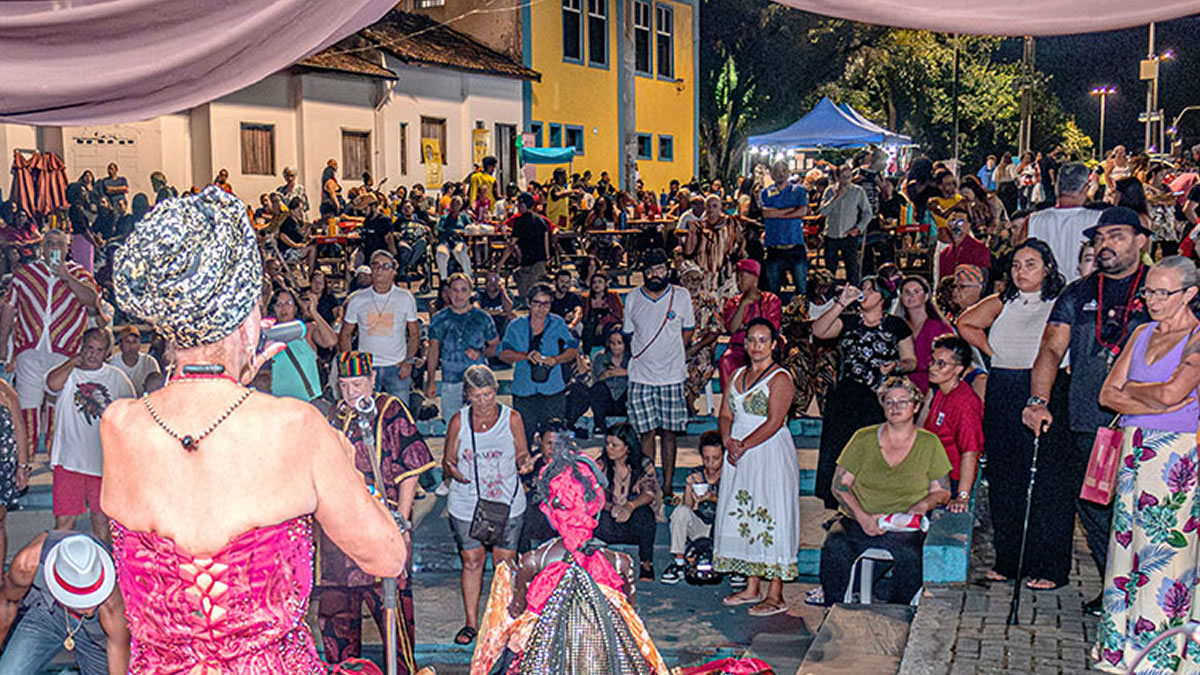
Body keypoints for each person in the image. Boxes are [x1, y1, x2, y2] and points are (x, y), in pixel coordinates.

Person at [105, 186, 408, 671]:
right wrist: (343, 459)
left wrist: (232, 374)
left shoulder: (119, 425)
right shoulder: (296, 426)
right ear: (249, 324)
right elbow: (387, 556)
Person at [1022, 207, 1150, 606]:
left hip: (1147, 423)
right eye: (1099, 238)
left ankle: (1151, 594)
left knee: (1145, 511)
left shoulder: (1159, 289)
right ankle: (1116, 589)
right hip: (1088, 423)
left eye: (1116, 235)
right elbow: (1050, 348)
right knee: (1096, 511)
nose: (1105, 244)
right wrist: (1038, 400)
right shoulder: (1078, 292)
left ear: (1141, 241)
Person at [471, 437, 670, 674]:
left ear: (548, 508)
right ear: (596, 504)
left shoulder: (534, 560)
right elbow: (632, 619)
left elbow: (515, 612)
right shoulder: (619, 563)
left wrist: (505, 593)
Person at [1091, 256, 1200, 672]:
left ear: (1189, 293)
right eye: (1149, 291)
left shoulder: (1195, 337)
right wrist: (1147, 394)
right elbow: (1107, 394)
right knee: (1126, 547)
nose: (1152, 300)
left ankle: (1159, 654)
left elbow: (1175, 394)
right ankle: (1122, 649)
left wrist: (1136, 392)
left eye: (1163, 292)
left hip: (1176, 452)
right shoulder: (1142, 332)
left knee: (1163, 553)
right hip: (1134, 448)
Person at [957, 238, 1070, 587]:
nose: (1022, 271)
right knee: (1006, 478)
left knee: (1046, 481)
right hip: (1004, 388)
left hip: (1043, 389)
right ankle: (1009, 560)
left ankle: (1049, 567)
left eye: (1030, 264)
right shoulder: (1004, 301)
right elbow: (965, 323)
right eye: (1017, 265)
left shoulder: (1059, 304)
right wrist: (995, 354)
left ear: (1047, 267)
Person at [316, 352, 434, 669]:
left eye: (357, 383)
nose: (351, 392)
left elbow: (411, 466)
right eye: (344, 385)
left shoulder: (389, 410)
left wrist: (403, 523)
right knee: (337, 621)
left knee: (394, 619)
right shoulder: (334, 416)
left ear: (372, 380)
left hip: (381, 530)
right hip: (339, 539)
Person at [820, 377, 951, 605]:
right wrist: (863, 517)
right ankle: (833, 608)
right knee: (835, 545)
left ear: (916, 406)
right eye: (889, 402)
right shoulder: (863, 438)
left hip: (902, 522)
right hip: (860, 518)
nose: (895, 407)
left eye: (902, 402)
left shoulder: (929, 443)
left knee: (910, 555)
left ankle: (900, 611)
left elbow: (942, 491)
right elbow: (840, 485)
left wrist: (919, 507)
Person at [713, 319, 799, 616]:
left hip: (767, 452)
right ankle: (752, 586)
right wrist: (728, 440)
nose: (756, 346)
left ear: (774, 344)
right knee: (745, 513)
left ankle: (776, 593)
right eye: (751, 340)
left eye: (763, 340)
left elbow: (774, 422)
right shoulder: (737, 374)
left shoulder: (781, 378)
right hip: (739, 451)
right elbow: (725, 413)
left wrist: (743, 444)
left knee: (771, 512)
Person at [441, 365, 532, 646]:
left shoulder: (511, 418)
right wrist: (454, 472)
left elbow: (522, 452)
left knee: (504, 563)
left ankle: (505, 619)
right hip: (467, 501)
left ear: (496, 392)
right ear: (468, 395)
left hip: (506, 500)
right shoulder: (459, 421)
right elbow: (448, 460)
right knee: (472, 561)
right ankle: (471, 622)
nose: (483, 402)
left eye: (489, 395)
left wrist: (525, 463)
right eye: (478, 396)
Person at [813, 276, 916, 509]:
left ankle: (873, 500)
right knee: (842, 448)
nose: (865, 293)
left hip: (879, 396)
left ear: (883, 297)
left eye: (872, 290)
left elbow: (911, 360)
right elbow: (819, 331)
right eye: (864, 288)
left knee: (875, 449)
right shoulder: (849, 322)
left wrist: (895, 367)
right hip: (849, 394)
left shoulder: (896, 325)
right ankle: (841, 501)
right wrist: (841, 303)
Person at [0, 229, 99, 454]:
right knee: (28, 403)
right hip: (29, 349)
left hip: (65, 352)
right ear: (42, 248)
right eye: (49, 243)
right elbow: (8, 308)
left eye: (59, 244)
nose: (54, 247)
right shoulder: (26, 274)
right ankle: (27, 457)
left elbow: (92, 302)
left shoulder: (80, 274)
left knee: (60, 403)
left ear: (67, 248)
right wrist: (2, 344)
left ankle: (58, 455)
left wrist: (67, 278)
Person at [46, 328, 135, 543]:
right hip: (69, 461)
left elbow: (132, 413)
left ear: (106, 353)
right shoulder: (69, 374)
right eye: (89, 348)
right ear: (81, 348)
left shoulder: (116, 377)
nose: (93, 354)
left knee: (102, 522)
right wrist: (72, 362)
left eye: (99, 350)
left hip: (103, 463)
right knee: (64, 523)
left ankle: (106, 571)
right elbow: (51, 384)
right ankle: (60, 572)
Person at [0, 532, 129, 674]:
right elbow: (7, 605)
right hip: (48, 612)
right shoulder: (27, 565)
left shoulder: (112, 599)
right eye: (81, 604)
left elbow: (118, 648)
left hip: (98, 632)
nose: (89, 611)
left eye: (93, 600)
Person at [624, 249, 694, 502]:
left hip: (672, 375)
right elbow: (629, 334)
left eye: (660, 270)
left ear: (668, 270)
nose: (656, 275)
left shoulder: (681, 296)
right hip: (641, 375)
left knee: (669, 433)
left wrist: (671, 353)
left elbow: (688, 331)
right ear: (644, 272)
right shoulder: (632, 298)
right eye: (651, 271)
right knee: (646, 433)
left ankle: (666, 486)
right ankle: (648, 485)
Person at [499, 284, 579, 447]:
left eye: (546, 304)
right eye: (537, 303)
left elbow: (573, 349)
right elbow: (503, 353)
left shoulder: (558, 324)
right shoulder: (516, 326)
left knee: (555, 440)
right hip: (524, 390)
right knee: (523, 438)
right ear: (529, 303)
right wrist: (525, 356)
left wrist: (556, 359)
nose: (541, 308)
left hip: (553, 390)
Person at [340, 249, 420, 403]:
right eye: (375, 265)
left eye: (385, 266)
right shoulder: (358, 299)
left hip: (396, 367)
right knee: (365, 414)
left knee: (400, 415)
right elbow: (345, 334)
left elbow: (414, 334)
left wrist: (408, 361)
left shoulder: (405, 298)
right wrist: (352, 367)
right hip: (367, 368)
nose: (379, 270)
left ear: (394, 271)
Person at [918, 334, 983, 511]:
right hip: (933, 473)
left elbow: (970, 452)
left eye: (942, 364)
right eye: (933, 361)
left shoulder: (964, 403)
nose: (933, 368)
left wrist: (962, 496)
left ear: (958, 369)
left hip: (952, 481)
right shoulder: (940, 391)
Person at [426, 273, 500, 423]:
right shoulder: (439, 319)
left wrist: (481, 353)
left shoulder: (482, 318)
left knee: (481, 423)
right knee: (453, 424)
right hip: (451, 380)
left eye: (463, 290)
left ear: (470, 292)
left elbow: (496, 346)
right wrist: (431, 380)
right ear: (448, 292)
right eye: (455, 290)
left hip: (478, 382)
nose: (459, 295)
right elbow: (433, 351)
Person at [596, 422, 660, 580]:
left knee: (645, 515)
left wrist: (630, 506)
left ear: (627, 447)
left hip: (632, 521)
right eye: (608, 444)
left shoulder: (643, 464)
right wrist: (611, 507)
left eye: (614, 445)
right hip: (609, 520)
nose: (609, 448)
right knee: (594, 516)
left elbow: (650, 493)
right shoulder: (601, 464)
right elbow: (593, 494)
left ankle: (646, 563)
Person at [1019, 162, 1100, 284]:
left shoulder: (1032, 220)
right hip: (1083, 292)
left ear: (1057, 187)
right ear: (1085, 189)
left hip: (1044, 294)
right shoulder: (1099, 219)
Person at [660, 430, 723, 585]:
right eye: (706, 458)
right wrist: (689, 488)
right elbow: (687, 507)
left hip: (722, 527)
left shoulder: (730, 474)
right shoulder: (697, 473)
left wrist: (713, 498)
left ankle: (735, 567)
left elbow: (734, 507)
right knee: (680, 512)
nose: (710, 463)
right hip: (701, 526)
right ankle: (679, 563)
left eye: (715, 458)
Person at [718, 259, 782, 390]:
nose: (738, 281)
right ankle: (730, 402)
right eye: (737, 277)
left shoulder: (771, 300)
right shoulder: (733, 302)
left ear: (754, 277)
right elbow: (732, 329)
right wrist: (743, 304)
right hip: (739, 348)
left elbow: (771, 328)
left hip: (764, 348)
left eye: (742, 277)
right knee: (726, 360)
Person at [266, 287, 338, 403]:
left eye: (288, 303)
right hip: (279, 401)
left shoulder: (306, 330)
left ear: (295, 307)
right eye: (279, 304)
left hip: (307, 400)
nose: (284, 308)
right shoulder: (268, 335)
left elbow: (331, 341)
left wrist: (314, 312)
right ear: (273, 308)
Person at [758, 160, 810, 295]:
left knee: (801, 287)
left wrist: (776, 213)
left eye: (783, 171)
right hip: (774, 247)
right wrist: (791, 211)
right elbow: (765, 213)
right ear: (772, 175)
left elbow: (803, 211)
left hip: (795, 245)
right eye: (776, 171)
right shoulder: (765, 192)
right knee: (772, 289)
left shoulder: (798, 190)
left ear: (788, 173)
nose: (780, 174)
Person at [898, 276, 953, 394]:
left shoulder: (938, 328)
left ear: (926, 296)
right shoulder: (897, 326)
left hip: (931, 387)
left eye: (916, 292)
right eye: (906, 292)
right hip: (901, 387)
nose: (911, 296)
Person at [820, 163, 872, 287]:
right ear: (838, 177)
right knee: (830, 269)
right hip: (831, 235)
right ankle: (829, 296)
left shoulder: (858, 191)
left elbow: (867, 212)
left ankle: (852, 297)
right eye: (843, 177)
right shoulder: (829, 191)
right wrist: (836, 197)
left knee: (852, 269)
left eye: (849, 177)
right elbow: (823, 211)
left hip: (849, 235)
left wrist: (858, 228)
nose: (846, 180)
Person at [498, 193, 551, 301]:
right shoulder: (541, 220)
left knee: (528, 292)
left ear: (524, 205)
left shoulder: (520, 221)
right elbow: (546, 239)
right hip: (540, 260)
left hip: (529, 262)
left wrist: (500, 263)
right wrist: (547, 258)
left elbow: (511, 244)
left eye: (519, 204)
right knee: (532, 287)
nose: (517, 206)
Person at [107, 326, 159, 397]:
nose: (131, 345)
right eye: (127, 342)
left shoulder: (150, 362)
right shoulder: (112, 363)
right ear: (120, 345)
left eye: (134, 342)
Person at [579, 271, 624, 353]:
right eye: (594, 282)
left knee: (609, 329)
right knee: (587, 329)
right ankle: (586, 355)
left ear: (605, 284)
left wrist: (602, 323)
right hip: (591, 326)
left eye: (600, 282)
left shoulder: (612, 296)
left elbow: (618, 314)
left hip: (609, 324)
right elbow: (583, 315)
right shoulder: (586, 299)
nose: (597, 285)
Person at [937, 213, 990, 280]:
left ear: (968, 225)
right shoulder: (944, 254)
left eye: (961, 222)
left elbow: (983, 278)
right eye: (952, 221)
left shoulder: (980, 248)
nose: (956, 225)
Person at [436, 196, 473, 282]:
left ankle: (468, 277)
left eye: (458, 204)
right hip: (445, 241)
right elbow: (440, 230)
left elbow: (470, 227)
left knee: (460, 252)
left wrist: (463, 231)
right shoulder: (444, 218)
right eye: (453, 203)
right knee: (441, 253)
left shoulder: (463, 217)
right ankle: (444, 280)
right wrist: (452, 231)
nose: (455, 206)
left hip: (459, 241)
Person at [476, 270, 515, 340]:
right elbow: (476, 309)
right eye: (490, 280)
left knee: (512, 318)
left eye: (495, 280)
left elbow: (509, 308)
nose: (492, 283)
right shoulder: (481, 294)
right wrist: (498, 312)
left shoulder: (506, 294)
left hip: (501, 326)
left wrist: (503, 291)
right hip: (486, 326)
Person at [549, 269, 584, 335]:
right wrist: (563, 319)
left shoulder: (573, 297)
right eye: (562, 282)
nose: (565, 285)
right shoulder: (548, 297)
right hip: (552, 326)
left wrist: (572, 324)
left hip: (568, 326)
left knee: (579, 326)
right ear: (554, 282)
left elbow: (579, 311)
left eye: (567, 282)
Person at [468, 156, 500, 222]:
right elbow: (495, 195)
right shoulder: (492, 180)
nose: (494, 170)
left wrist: (472, 206)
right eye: (493, 167)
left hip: (476, 210)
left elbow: (471, 193)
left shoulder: (474, 177)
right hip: (490, 210)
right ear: (489, 167)